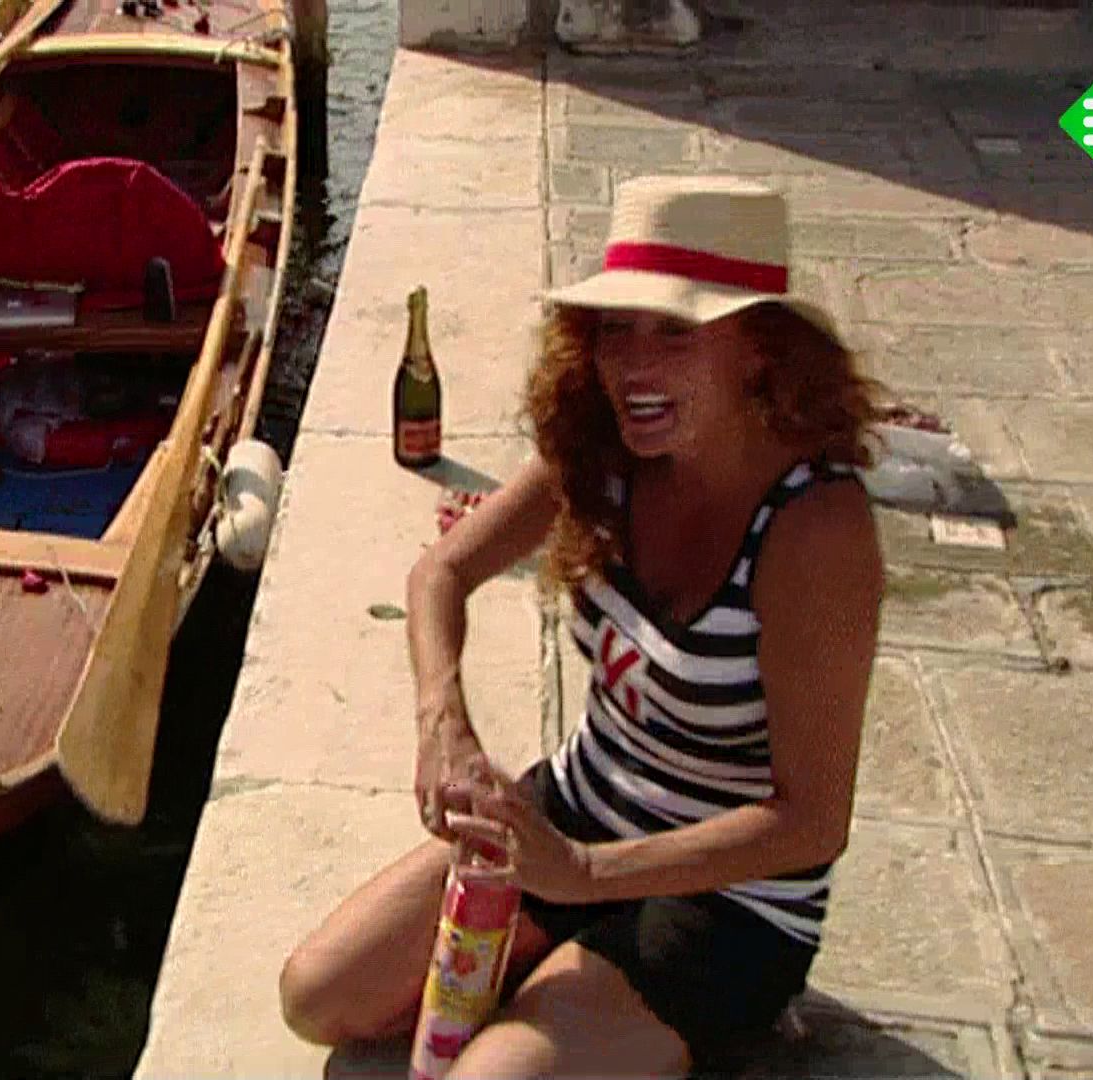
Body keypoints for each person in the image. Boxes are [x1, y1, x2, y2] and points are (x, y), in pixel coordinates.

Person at [278, 175, 887, 1077]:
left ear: (761, 350)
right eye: (615, 329)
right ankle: (573, 982)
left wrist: (586, 876)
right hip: (577, 814)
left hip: (728, 898)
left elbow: (812, 822)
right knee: (318, 995)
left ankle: (661, 1010)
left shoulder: (815, 528)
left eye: (673, 332)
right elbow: (441, 572)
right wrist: (444, 725)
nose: (632, 365)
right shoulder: (606, 449)